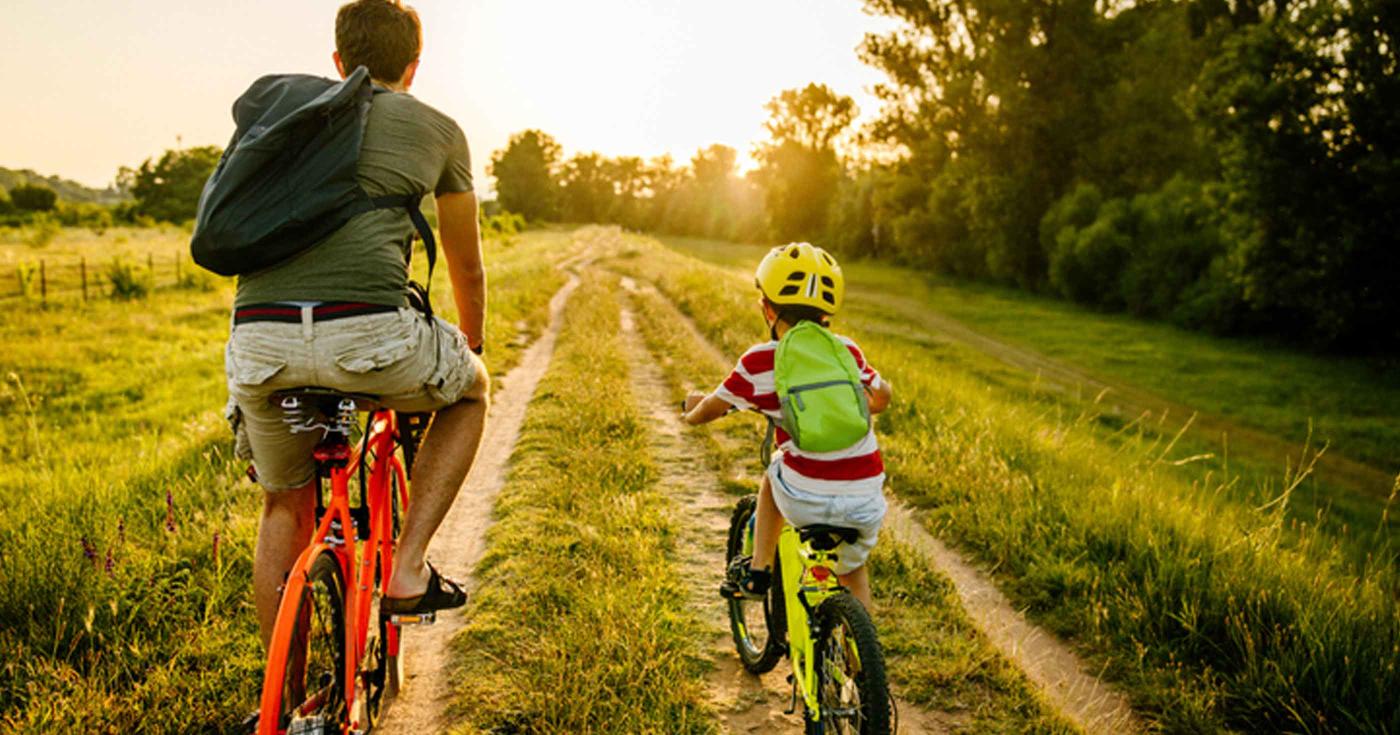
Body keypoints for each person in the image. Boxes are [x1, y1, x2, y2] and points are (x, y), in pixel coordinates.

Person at [223, 0, 488, 648]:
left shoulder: (287, 118)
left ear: (338, 61)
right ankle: (406, 569)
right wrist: (469, 348)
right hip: (369, 338)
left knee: (283, 507)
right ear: (415, 66)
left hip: (260, 341)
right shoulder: (441, 129)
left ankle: (282, 705)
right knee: (473, 389)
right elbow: (468, 269)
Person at [682, 243, 892, 610]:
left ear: (767, 308)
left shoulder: (762, 360)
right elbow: (880, 397)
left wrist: (689, 411)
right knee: (853, 570)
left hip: (805, 497)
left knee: (772, 475)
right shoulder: (847, 351)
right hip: (865, 499)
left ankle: (758, 571)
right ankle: (863, 660)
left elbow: (711, 409)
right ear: (827, 311)